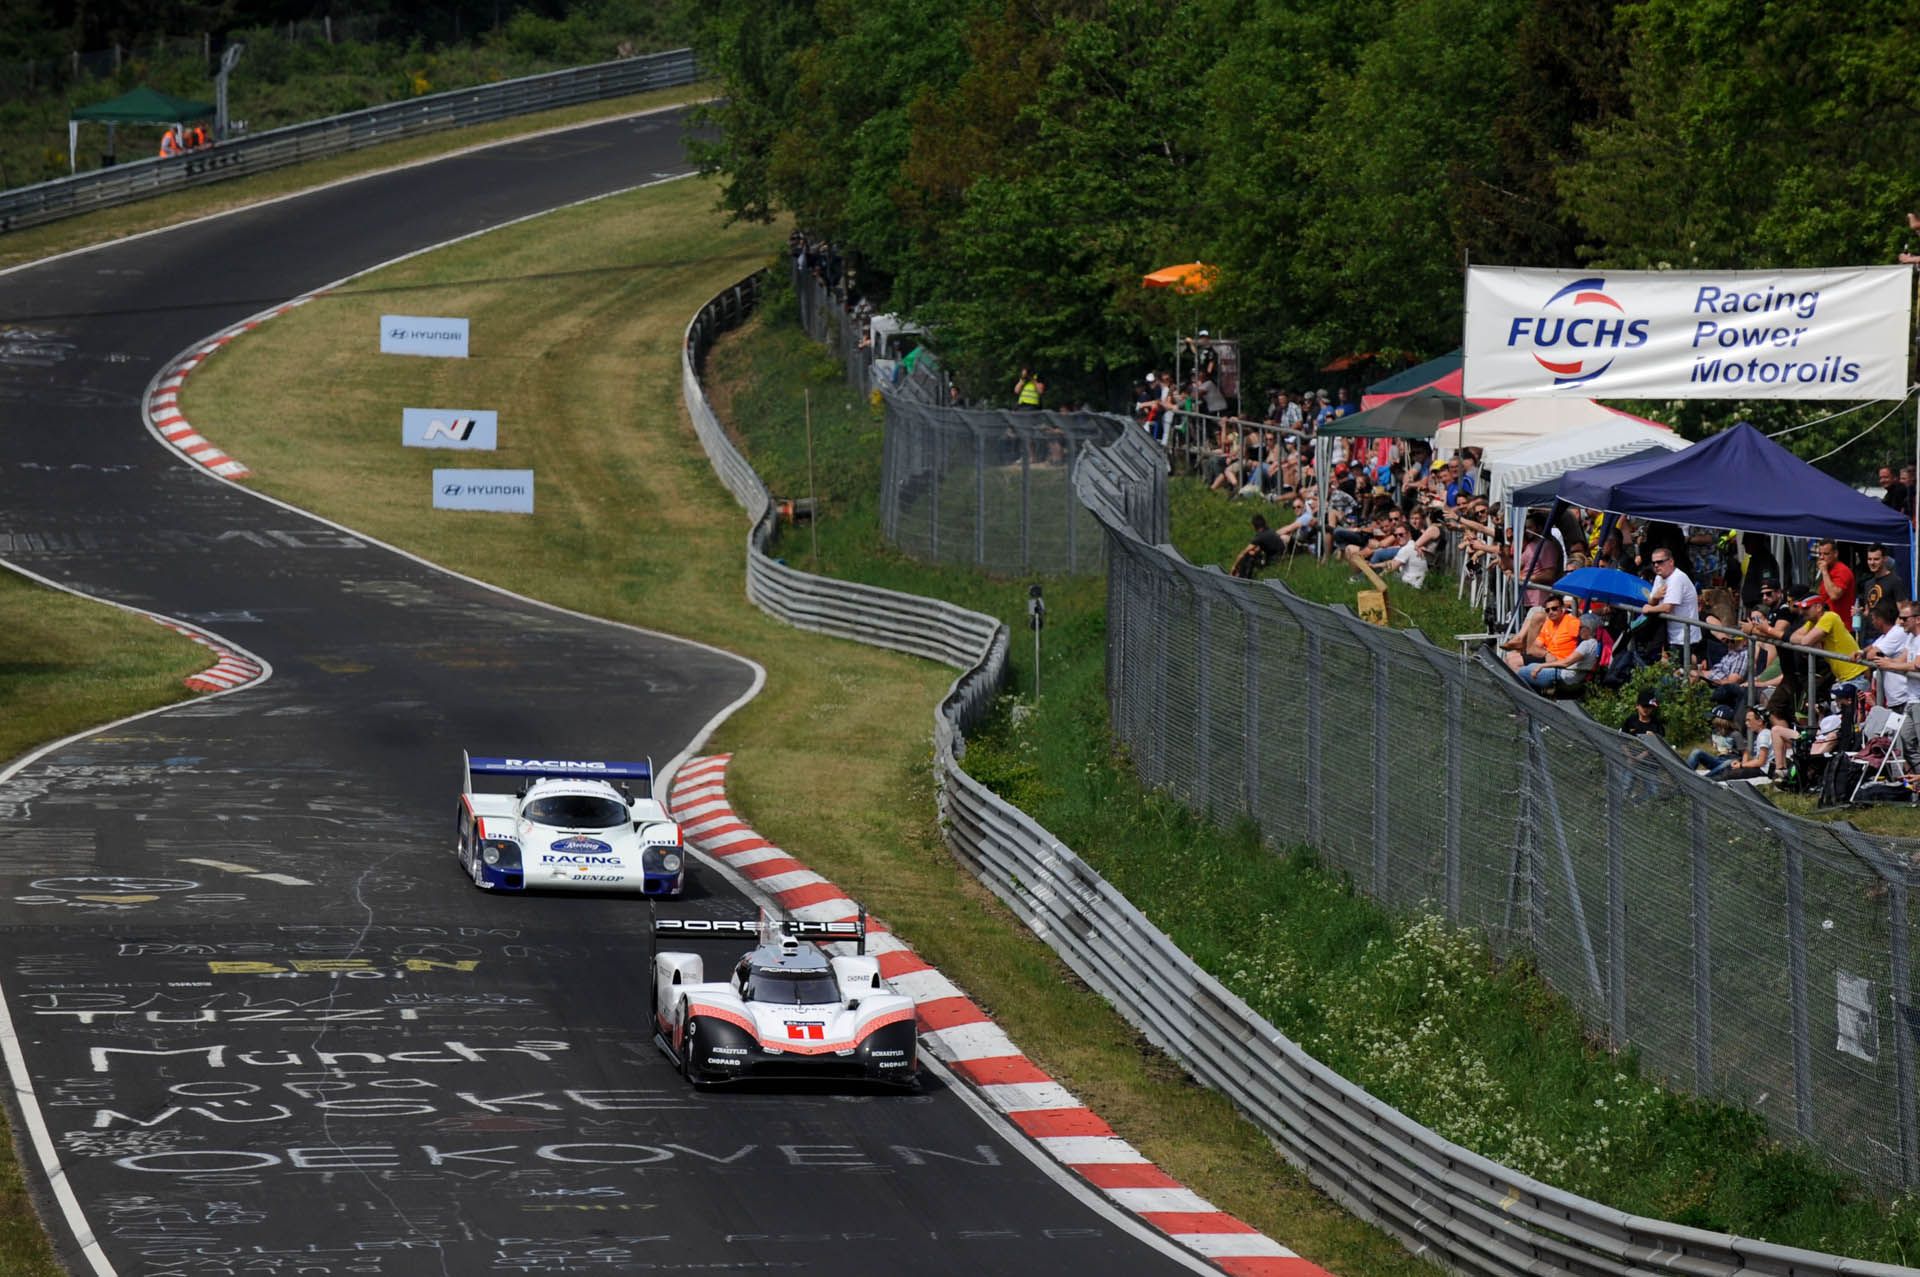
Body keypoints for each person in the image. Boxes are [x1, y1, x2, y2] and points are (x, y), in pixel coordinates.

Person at [1789, 592, 1866, 704]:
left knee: (1853, 714)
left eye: (1806, 608)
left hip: (1856, 677)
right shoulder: (1813, 622)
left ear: (1818, 607)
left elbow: (1806, 642)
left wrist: (1810, 640)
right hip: (1844, 678)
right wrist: (1810, 639)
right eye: (1801, 609)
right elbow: (1792, 637)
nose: (1802, 612)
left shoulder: (1829, 617)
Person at [1517, 611, 1603, 692]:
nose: (1578, 630)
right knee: (1531, 666)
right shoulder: (1595, 643)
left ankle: (1531, 696)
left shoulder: (1587, 644)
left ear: (1589, 629)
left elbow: (1566, 663)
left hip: (1564, 677)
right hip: (1572, 675)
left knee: (1522, 672)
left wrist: (1542, 666)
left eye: (1580, 627)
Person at [1640, 546, 1700, 660]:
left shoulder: (1677, 578)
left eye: (1660, 562)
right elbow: (1651, 601)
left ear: (1671, 562)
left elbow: (1668, 607)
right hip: (1670, 634)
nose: (1656, 565)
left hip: (1684, 636)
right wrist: (1655, 597)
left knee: (1682, 667)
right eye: (1654, 563)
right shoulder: (1659, 577)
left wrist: (1649, 609)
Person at [1505, 593, 1579, 671]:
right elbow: (1534, 648)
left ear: (1562, 609)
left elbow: (1584, 643)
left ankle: (1522, 679)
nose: (1550, 612)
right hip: (1549, 657)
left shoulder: (1572, 623)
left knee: (1514, 662)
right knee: (1509, 656)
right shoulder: (1549, 623)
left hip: (1561, 661)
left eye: (1554, 608)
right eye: (1547, 610)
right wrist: (1546, 654)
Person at [1812, 538, 1856, 625]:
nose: (1821, 557)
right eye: (1820, 554)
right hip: (1826, 622)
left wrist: (1824, 572)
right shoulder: (1827, 570)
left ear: (1835, 554)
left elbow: (1834, 595)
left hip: (1841, 625)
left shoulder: (1842, 570)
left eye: (1826, 554)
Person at [1230, 513, 1285, 579]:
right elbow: (1262, 547)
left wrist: (1234, 566)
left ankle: (1242, 577)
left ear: (1254, 526)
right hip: (1281, 558)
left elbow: (1243, 553)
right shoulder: (1270, 531)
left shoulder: (1260, 537)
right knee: (1253, 552)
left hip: (1273, 561)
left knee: (1248, 555)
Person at [1860, 544, 1905, 616]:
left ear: (1885, 559)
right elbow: (1868, 612)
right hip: (1871, 623)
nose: (1872, 562)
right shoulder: (1868, 584)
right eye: (1869, 559)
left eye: (1876, 559)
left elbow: (1903, 612)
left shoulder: (1895, 581)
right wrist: (1860, 614)